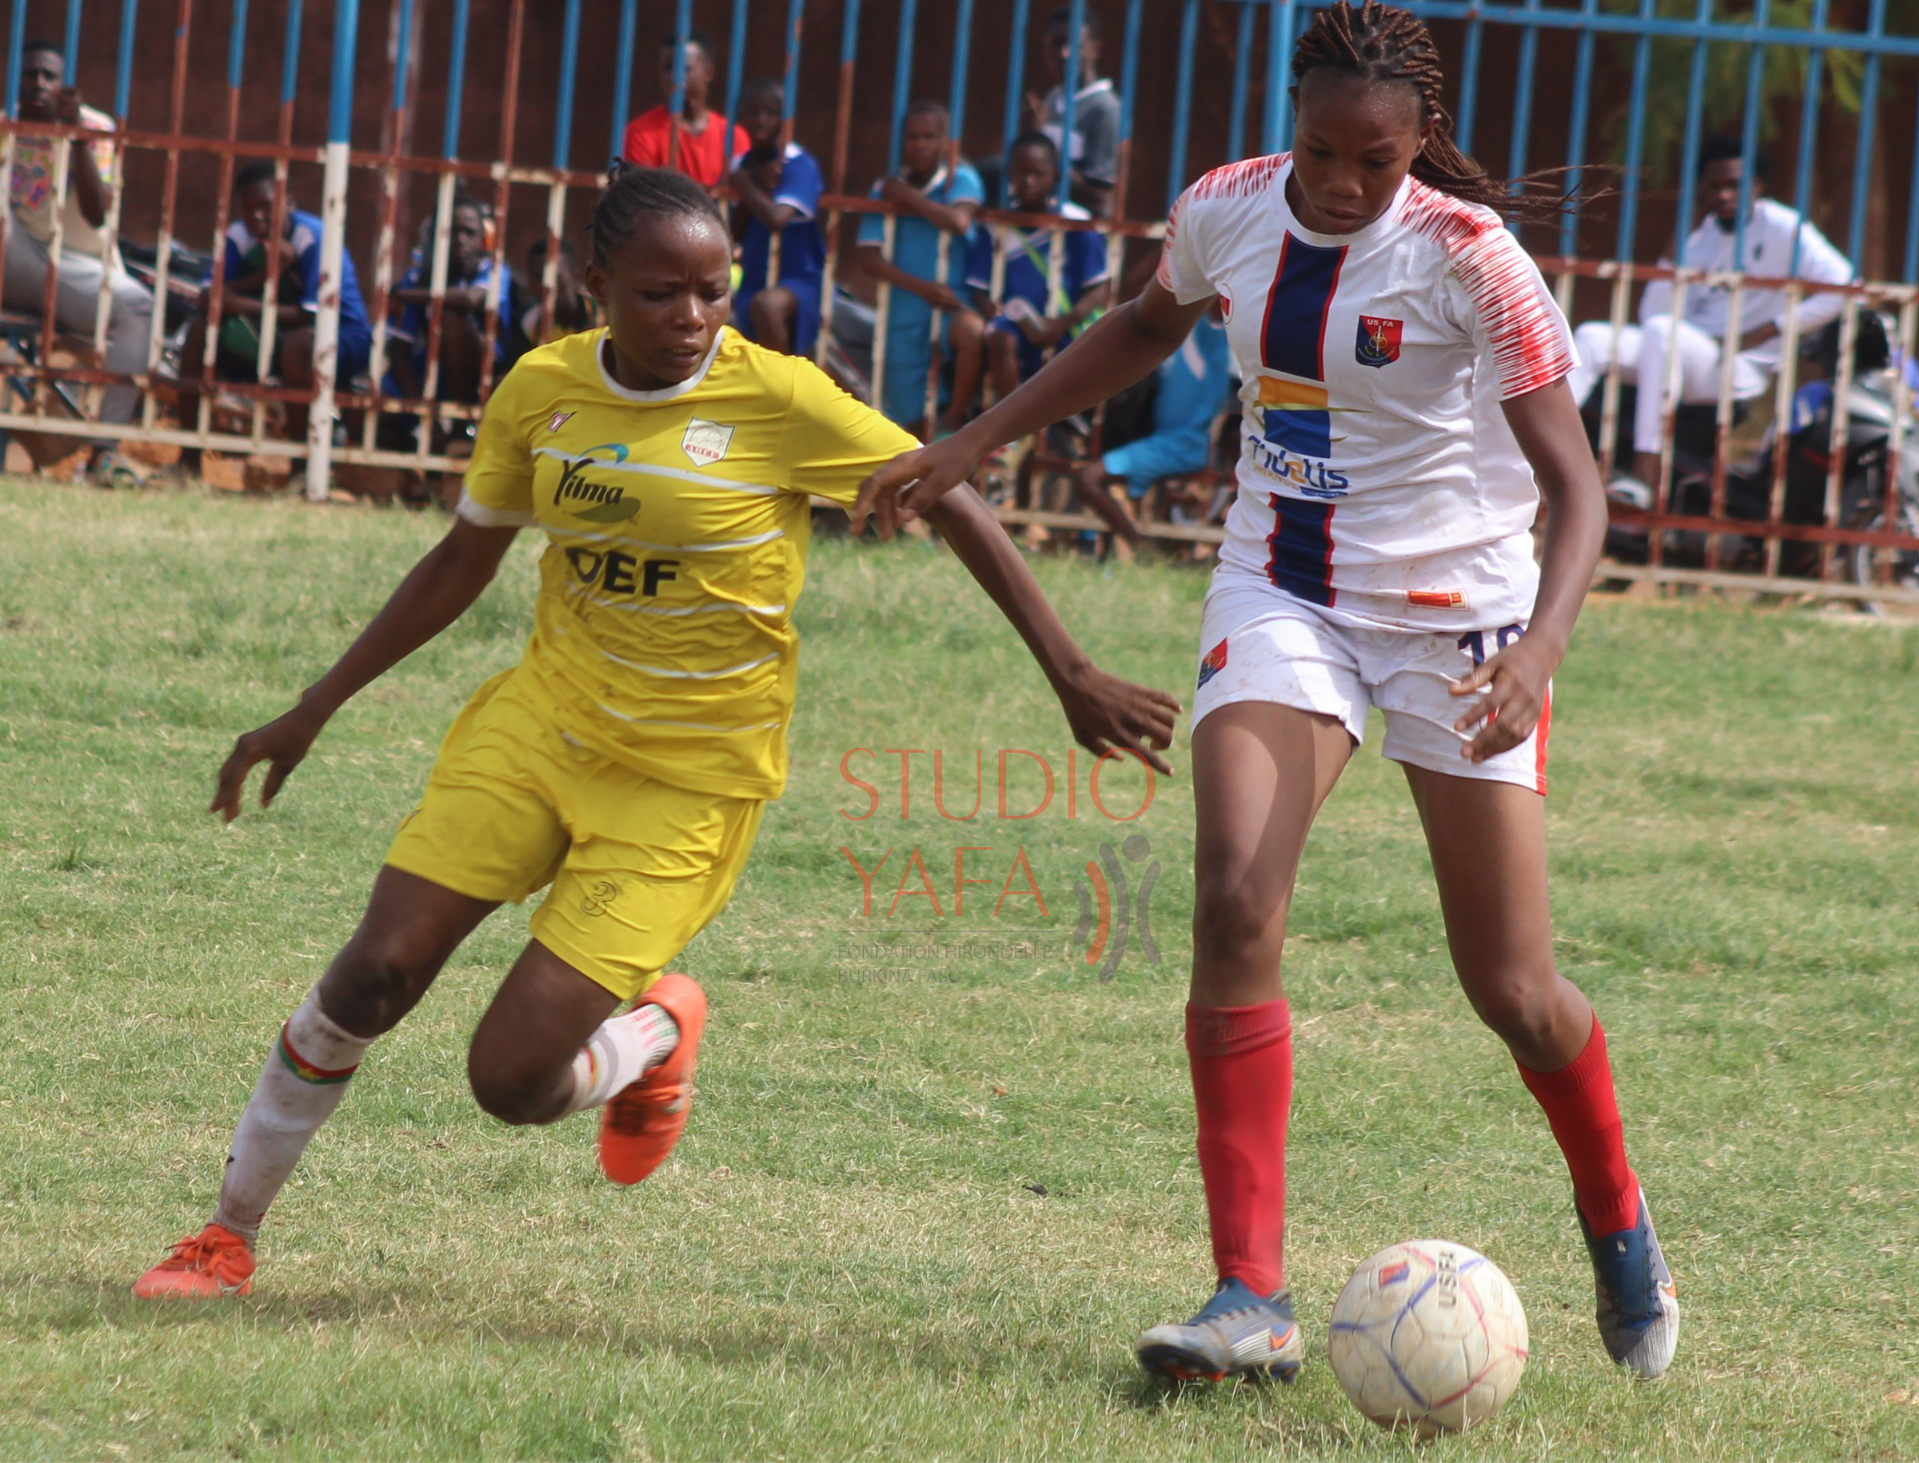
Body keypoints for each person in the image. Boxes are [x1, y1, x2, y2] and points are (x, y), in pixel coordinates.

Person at [131, 168, 1178, 1301]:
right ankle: (224, 1234)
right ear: (594, 290)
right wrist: (314, 704)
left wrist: (1070, 672)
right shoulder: (542, 390)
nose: (690, 318)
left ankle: (654, 1040)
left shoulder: (776, 399)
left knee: (510, 1078)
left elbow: (950, 496)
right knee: (373, 974)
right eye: (658, 294)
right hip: (540, 729)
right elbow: (462, 558)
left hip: (689, 779)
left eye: (712, 291)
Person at [857, 0, 1679, 1387]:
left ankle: (1616, 1210)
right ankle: (1251, 1293)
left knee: (1515, 987)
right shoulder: (1229, 208)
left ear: (1422, 143)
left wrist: (1534, 653)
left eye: (1375, 158)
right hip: (1282, 589)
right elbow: (1136, 326)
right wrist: (972, 443)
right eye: (1322, 152)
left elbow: (1577, 487)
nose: (1345, 183)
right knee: (1236, 894)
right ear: (1289, 130)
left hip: (1459, 626)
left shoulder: (1474, 258)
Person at [1567, 136, 1853, 491]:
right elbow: (1653, 313)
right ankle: (1545, 452)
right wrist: (1678, 243)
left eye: (1734, 185)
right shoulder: (1700, 238)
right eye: (1714, 187)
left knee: (1662, 332)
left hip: (1736, 364)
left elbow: (1844, 285)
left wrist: (1772, 328)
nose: (1723, 195)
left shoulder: (1782, 225)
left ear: (1757, 186)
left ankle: (1646, 469)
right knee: (1593, 337)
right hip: (1679, 352)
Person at [177, 162, 374, 469]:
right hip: (277, 333)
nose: (257, 216)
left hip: (341, 338)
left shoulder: (314, 236)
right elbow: (205, 298)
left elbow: (311, 316)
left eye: (267, 206)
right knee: (200, 331)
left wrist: (237, 303)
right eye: (249, 207)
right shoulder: (239, 236)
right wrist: (261, 279)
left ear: (289, 203)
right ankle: (187, 460)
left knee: (298, 344)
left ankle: (301, 467)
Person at [5, 38, 154, 427]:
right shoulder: (5, 126)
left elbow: (97, 213)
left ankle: (104, 446)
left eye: (48, 76)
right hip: (13, 253)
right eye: (29, 74)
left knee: (138, 307)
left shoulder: (95, 127)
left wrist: (76, 138)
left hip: (75, 265)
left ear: (64, 84)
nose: (38, 83)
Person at [945, 132, 1109, 430]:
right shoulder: (996, 225)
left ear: (1056, 176)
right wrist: (987, 307)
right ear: (1010, 174)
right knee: (999, 339)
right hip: (1014, 325)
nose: (1029, 181)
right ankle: (1015, 428)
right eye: (1022, 173)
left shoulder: (1076, 222)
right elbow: (980, 288)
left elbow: (1097, 288)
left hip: (1065, 326)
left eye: (1038, 173)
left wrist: (1060, 323)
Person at [855, 100, 984, 431]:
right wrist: (921, 288)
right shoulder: (884, 187)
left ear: (945, 142)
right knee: (907, 417)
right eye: (913, 137)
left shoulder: (961, 179)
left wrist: (908, 197)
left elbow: (958, 221)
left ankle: (955, 417)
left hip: (952, 305)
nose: (921, 144)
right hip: (904, 311)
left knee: (972, 332)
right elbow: (868, 257)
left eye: (929, 136)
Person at [1072, 304, 1233, 551]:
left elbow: (1214, 304)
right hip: (1166, 441)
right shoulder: (1184, 332)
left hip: (1181, 446)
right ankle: (1132, 546)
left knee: (1088, 478)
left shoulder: (1208, 333)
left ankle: (1141, 549)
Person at [383, 194, 521, 407]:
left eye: (469, 232)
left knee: (449, 317)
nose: (460, 239)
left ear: (483, 238)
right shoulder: (416, 278)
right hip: (429, 374)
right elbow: (400, 351)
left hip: (486, 372)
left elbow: (469, 299)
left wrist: (403, 295)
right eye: (452, 231)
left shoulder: (493, 270)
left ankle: (460, 419)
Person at [727, 78, 826, 357]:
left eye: (770, 113)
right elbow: (733, 234)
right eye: (752, 112)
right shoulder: (742, 164)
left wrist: (743, 184)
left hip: (799, 279)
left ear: (785, 118)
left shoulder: (799, 163)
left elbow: (777, 219)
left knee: (767, 307)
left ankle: (782, 387)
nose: (761, 120)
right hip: (754, 277)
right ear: (740, 118)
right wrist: (750, 182)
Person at [1022, 7, 1121, 217]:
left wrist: (1043, 149)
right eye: (1056, 44)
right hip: (1048, 227)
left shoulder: (1104, 109)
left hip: (1080, 233)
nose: (1064, 53)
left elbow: (1100, 201)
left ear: (1095, 49)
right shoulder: (1053, 97)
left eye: (1075, 45)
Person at [620, 36, 751, 187]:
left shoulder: (734, 136)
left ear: (708, 72)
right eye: (668, 68)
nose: (673, 77)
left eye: (684, 68)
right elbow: (642, 197)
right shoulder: (640, 132)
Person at [519, 235, 595, 350]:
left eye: (554, 277)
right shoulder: (529, 320)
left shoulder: (600, 314)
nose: (545, 286)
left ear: (576, 275)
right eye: (537, 277)